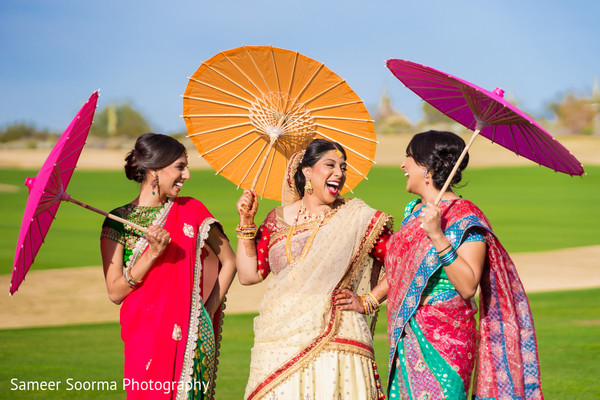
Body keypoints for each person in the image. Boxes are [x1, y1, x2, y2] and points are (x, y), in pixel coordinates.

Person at [384, 130, 543, 399]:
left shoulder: (465, 217)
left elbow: (468, 286)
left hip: (446, 338)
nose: (403, 165)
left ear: (427, 167)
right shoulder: (413, 214)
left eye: (408, 157)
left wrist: (437, 235)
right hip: (407, 335)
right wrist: (366, 300)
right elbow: (402, 275)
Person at [235, 139, 393, 399]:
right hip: (276, 343)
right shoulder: (276, 220)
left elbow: (403, 260)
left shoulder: (355, 217)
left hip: (337, 341)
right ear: (307, 171)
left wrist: (369, 301)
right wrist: (246, 222)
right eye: (330, 165)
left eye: (343, 167)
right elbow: (249, 275)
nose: (339, 173)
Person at [100, 133, 236, 400]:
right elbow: (115, 293)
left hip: (191, 337)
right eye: (180, 167)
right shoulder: (118, 221)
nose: (187, 176)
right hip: (144, 337)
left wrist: (205, 315)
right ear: (154, 170)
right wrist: (152, 254)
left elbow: (228, 261)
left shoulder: (193, 210)